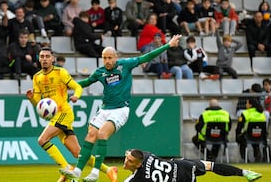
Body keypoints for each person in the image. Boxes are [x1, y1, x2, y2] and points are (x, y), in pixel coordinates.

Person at [60, 34, 182, 182]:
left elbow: (147, 56)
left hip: (120, 110)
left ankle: (95, 173)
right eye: (104, 58)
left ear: (116, 57)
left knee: (102, 134)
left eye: (110, 58)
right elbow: (85, 82)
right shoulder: (100, 72)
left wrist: (168, 45)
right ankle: (78, 171)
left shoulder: (126, 64)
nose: (107, 61)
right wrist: (67, 85)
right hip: (105, 109)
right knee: (91, 134)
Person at [26, 47, 117, 182]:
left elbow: (78, 87)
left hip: (64, 113)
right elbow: (40, 104)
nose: (44, 59)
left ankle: (67, 168)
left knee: (42, 140)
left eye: (47, 56)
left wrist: (76, 96)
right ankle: (109, 170)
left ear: (52, 59)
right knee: (77, 153)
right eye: (42, 57)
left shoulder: (60, 72)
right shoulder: (37, 77)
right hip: (54, 117)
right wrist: (32, 99)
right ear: (39, 59)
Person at [123, 149, 262, 182]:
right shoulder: (145, 155)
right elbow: (134, 151)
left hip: (181, 177)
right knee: (210, 166)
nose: (125, 161)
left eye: (129, 160)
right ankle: (245, 173)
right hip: (181, 165)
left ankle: (245, 174)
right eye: (126, 158)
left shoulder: (136, 179)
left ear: (139, 165)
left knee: (210, 166)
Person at [236, 97, 267, 162]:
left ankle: (245, 158)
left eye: (247, 103)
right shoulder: (262, 114)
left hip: (248, 136)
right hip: (260, 136)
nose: (246, 105)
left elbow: (239, 127)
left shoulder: (245, 113)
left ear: (250, 105)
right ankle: (257, 155)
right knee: (255, 141)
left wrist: (237, 136)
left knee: (241, 139)